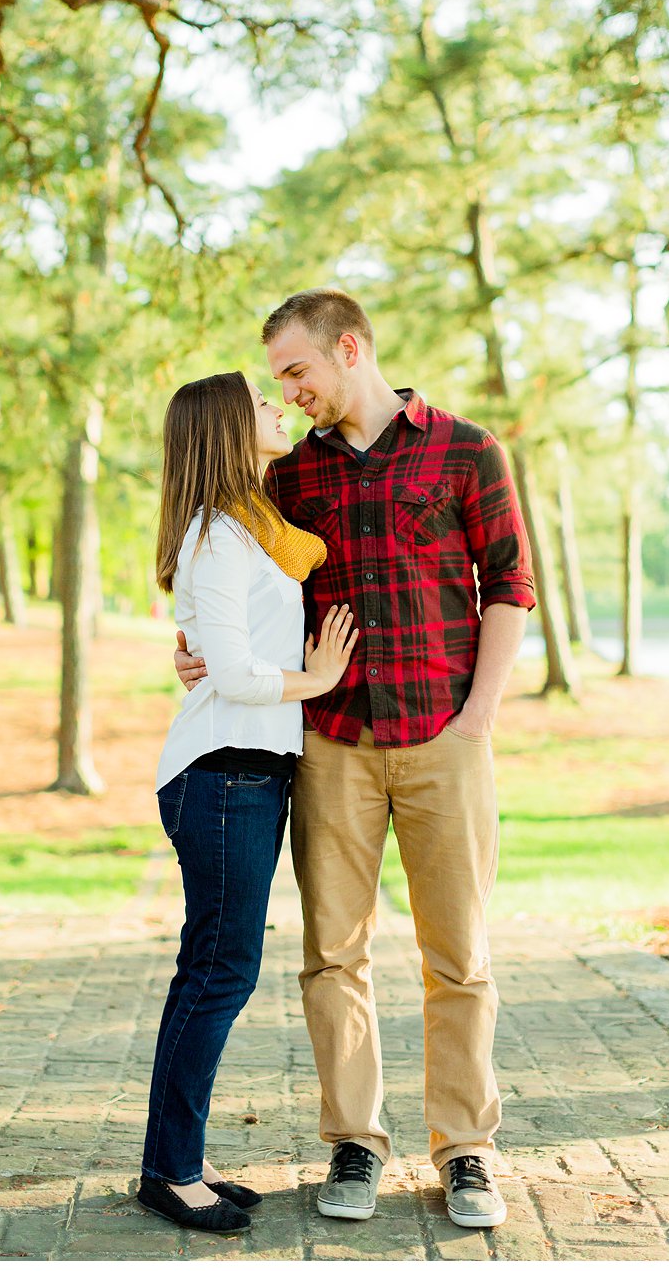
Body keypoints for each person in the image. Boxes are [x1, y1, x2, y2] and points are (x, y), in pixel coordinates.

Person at [176, 290, 534, 1233]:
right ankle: (354, 1140)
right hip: (330, 741)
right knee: (333, 954)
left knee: (458, 955)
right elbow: (225, 580)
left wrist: (479, 716)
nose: (287, 394)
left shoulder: (467, 450)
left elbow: (510, 586)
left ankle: (465, 1151)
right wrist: (200, 652)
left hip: (444, 741)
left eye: (297, 372)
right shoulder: (287, 478)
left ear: (349, 348)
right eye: (279, 380)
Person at [141, 372, 357, 1234]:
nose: (280, 409)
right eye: (262, 405)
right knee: (216, 974)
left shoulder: (241, 528)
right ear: (228, 430)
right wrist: (322, 680)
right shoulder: (222, 539)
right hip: (224, 777)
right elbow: (232, 675)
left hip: (246, 775)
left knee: (215, 971)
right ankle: (170, 1172)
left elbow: (216, 649)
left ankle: (176, 1159)